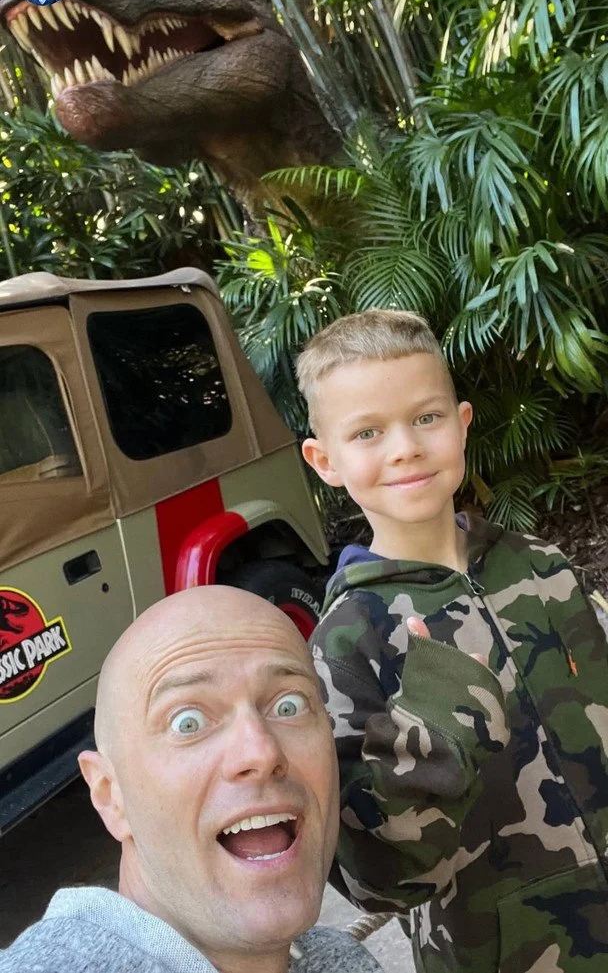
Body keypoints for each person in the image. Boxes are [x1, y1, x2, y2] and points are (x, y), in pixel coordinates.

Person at [297, 308, 608, 973]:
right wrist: (433, 734)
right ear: (325, 461)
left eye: (427, 417)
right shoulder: (346, 642)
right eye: (368, 432)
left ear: (463, 423)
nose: (404, 447)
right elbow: (378, 879)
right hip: (503, 954)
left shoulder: (541, 567)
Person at [0, 586, 384, 973]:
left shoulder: (342, 960)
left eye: (289, 705)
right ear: (109, 795)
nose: (262, 753)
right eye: (188, 722)